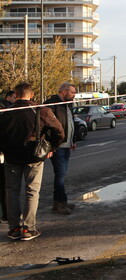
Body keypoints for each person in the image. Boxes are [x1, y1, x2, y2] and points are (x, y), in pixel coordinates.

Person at [0, 82, 64, 240]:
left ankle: (14, 228)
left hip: (11, 157)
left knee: (12, 192)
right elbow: (59, 131)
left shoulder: (6, 112)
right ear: (32, 95)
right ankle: (28, 229)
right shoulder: (41, 111)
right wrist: (50, 148)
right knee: (32, 192)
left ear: (15, 95)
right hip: (34, 156)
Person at [44, 82, 77, 214]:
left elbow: (70, 123)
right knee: (60, 175)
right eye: (72, 92)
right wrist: (52, 145)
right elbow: (47, 127)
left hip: (66, 145)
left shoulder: (68, 105)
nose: (74, 95)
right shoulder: (52, 105)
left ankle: (57, 202)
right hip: (58, 147)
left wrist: (72, 140)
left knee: (61, 175)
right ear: (63, 92)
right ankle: (61, 204)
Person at [0, 90, 16, 222]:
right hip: (3, 154)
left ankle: (6, 214)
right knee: (5, 186)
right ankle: (6, 214)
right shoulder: (6, 112)